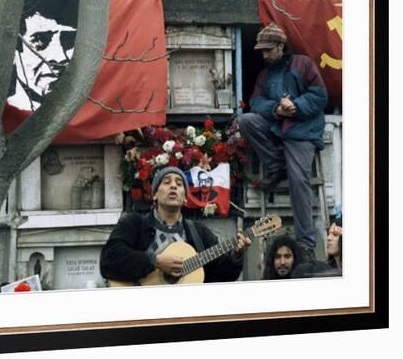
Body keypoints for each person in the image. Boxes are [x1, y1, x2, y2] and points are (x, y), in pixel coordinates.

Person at [239, 22, 328, 261]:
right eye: (262, 50)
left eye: (268, 49)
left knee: (299, 181)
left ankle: (306, 245)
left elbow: (320, 95)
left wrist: (295, 106)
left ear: (280, 46)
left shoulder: (303, 64)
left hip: (302, 131)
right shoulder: (264, 75)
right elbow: (255, 102)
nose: (264, 54)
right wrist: (277, 110)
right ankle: (278, 166)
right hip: (278, 127)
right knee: (246, 120)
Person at [100, 167, 252, 285]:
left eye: (179, 184)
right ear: (154, 195)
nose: (173, 186)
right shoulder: (134, 224)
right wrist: (155, 261)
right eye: (167, 182)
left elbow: (221, 277)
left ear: (185, 198)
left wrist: (236, 255)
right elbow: (109, 260)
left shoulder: (199, 233)